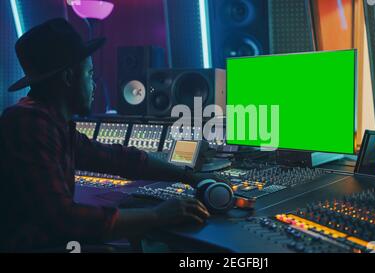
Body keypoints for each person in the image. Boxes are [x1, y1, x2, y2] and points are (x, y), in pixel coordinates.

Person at [0, 18, 215, 252]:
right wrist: (156, 215)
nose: (94, 84)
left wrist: (189, 177)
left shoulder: (50, 121)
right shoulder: (30, 123)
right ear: (69, 78)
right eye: (90, 73)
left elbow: (115, 157)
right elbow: (64, 219)